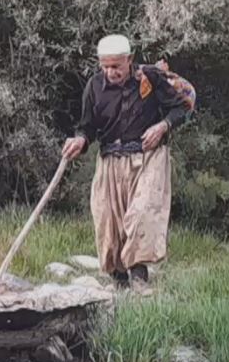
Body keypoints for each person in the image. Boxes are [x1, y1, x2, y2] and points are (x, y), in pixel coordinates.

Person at [60, 34, 189, 291]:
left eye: (116, 66)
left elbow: (181, 108)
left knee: (141, 213)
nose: (111, 72)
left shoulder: (150, 80)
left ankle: (139, 278)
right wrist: (79, 141)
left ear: (129, 60)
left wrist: (163, 126)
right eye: (105, 66)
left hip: (148, 157)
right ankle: (119, 281)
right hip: (110, 160)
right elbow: (88, 128)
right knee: (108, 220)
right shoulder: (94, 87)